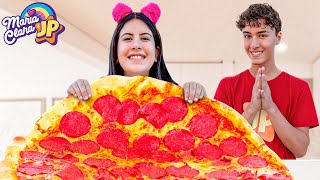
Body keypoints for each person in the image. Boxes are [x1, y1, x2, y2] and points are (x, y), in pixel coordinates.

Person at [214, 3, 319, 159]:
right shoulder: (227, 86)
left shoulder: (299, 88)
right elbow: (220, 145)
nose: (254, 44)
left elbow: (300, 149)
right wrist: (252, 110)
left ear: (278, 37)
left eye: (262, 35)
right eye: (247, 36)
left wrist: (271, 107)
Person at [68, 2, 206, 104]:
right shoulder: (94, 96)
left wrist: (199, 100)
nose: (136, 45)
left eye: (145, 38)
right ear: (115, 53)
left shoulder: (179, 97)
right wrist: (74, 100)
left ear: (157, 53)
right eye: (128, 38)